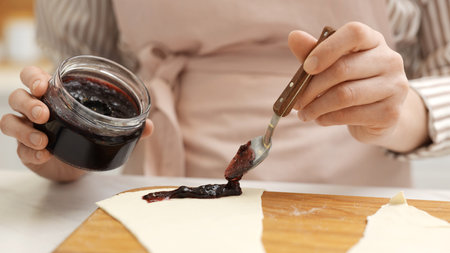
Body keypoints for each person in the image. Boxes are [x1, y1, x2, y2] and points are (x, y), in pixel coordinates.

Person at [1, 0, 449, 186]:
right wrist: (70, 145)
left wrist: (400, 111)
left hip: (353, 204)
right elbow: (86, 70)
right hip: (154, 192)